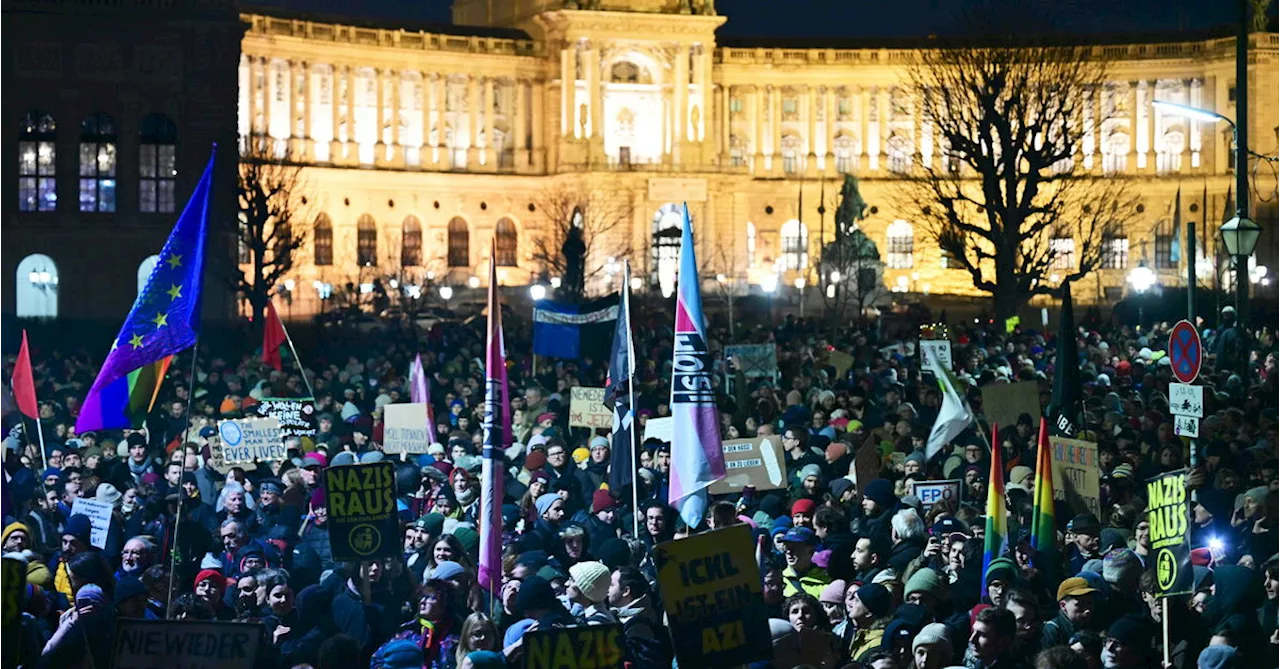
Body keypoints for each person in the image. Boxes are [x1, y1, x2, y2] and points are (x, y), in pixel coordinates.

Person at [1043, 577, 1097, 650]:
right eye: (1079, 604)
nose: (1087, 610)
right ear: (1063, 605)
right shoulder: (1053, 629)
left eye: (1090, 603)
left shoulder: (1094, 624)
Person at [780, 527, 831, 597]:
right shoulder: (780, 580)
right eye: (786, 547)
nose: (789, 552)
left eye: (795, 547)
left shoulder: (826, 581)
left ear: (811, 551)